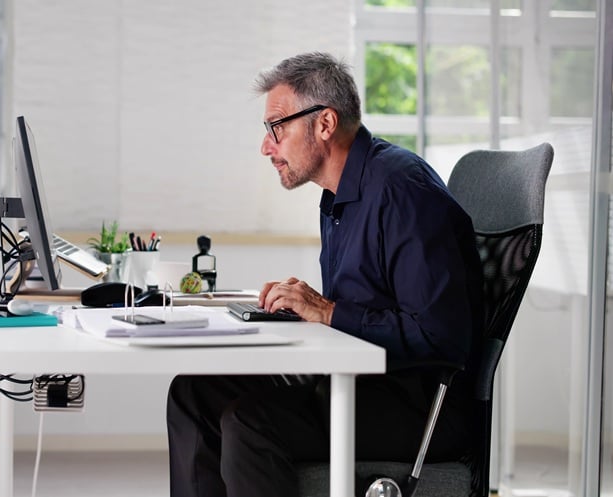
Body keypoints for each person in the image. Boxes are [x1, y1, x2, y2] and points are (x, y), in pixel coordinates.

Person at [166, 52, 484, 497]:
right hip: (358, 378)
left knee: (247, 421)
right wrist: (307, 306)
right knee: (194, 395)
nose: (266, 146)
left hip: (420, 405)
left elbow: (439, 335)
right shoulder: (338, 198)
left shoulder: (401, 191)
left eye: (277, 127)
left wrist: (329, 311)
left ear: (324, 124)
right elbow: (361, 308)